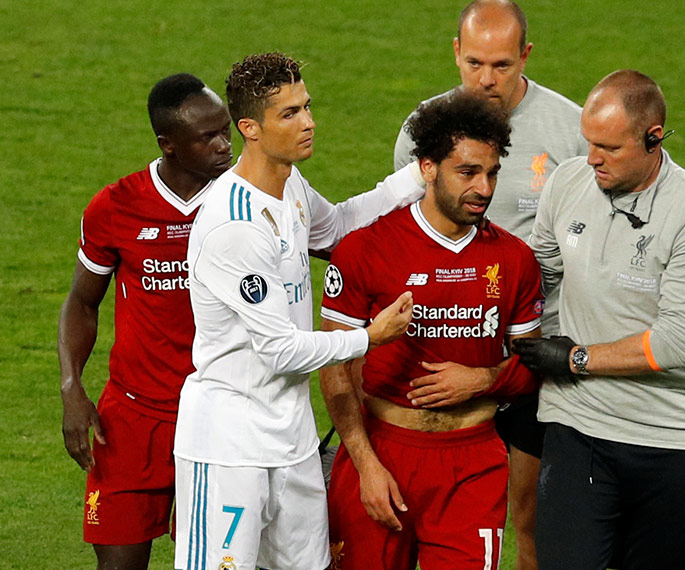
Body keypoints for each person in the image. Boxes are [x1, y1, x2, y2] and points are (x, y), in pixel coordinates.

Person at [172, 52, 426, 570]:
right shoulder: (234, 226)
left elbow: (336, 228)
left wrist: (415, 178)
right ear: (250, 128)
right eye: (289, 113)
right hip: (229, 446)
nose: (309, 122)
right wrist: (369, 338)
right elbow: (281, 350)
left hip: (291, 438)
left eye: (307, 106)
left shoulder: (288, 185)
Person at [514, 69, 685, 570]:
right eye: (589, 142)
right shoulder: (569, 182)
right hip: (579, 423)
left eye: (608, 148)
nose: (592, 158)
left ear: (653, 139)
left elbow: (674, 343)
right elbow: (536, 276)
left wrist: (574, 358)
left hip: (672, 437)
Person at [393, 4, 586, 568]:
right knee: (423, 512)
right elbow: (403, 234)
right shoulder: (421, 130)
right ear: (455, 50)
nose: (485, 79)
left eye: (501, 65)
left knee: (529, 517)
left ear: (525, 56)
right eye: (474, 62)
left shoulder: (571, 133)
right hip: (439, 353)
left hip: (531, 356)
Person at [321, 91, 544, 570]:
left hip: (473, 463)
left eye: (492, 173)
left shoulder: (514, 259)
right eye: (467, 173)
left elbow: (533, 365)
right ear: (427, 168)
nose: (484, 188)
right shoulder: (365, 250)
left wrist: (484, 380)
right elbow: (335, 369)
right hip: (382, 456)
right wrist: (365, 464)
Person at [58, 73, 232, 570]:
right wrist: (72, 387)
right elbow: (81, 302)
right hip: (133, 420)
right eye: (208, 137)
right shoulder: (116, 207)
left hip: (220, 416)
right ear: (169, 145)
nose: (225, 146)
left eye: (227, 131)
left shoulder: (250, 199)